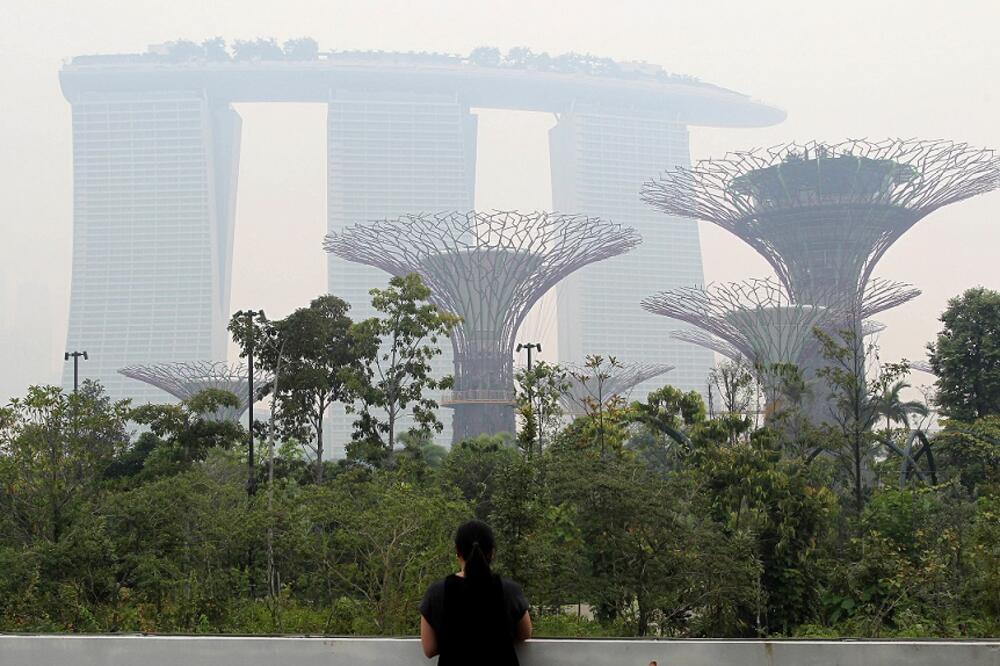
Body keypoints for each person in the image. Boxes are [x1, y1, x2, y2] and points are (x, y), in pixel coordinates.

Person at [419, 520, 532, 665]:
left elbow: (429, 649)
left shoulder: (437, 592)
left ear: (457, 550)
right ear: (492, 552)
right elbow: (525, 634)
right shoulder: (509, 589)